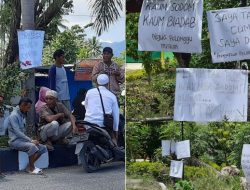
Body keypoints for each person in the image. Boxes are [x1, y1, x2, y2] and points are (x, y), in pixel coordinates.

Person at [7, 97, 47, 174]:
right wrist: (31, 140)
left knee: (43, 147)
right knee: (32, 146)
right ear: (22, 105)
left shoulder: (22, 114)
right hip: (14, 141)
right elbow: (17, 132)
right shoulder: (13, 116)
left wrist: (32, 139)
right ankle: (31, 168)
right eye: (28, 107)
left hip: (22, 140)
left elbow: (23, 132)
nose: (28, 109)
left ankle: (29, 166)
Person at [84, 74, 119, 145]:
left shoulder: (89, 92)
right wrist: (115, 131)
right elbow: (116, 116)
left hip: (88, 124)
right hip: (103, 126)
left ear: (97, 82)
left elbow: (86, 106)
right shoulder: (112, 96)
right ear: (108, 83)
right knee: (113, 141)